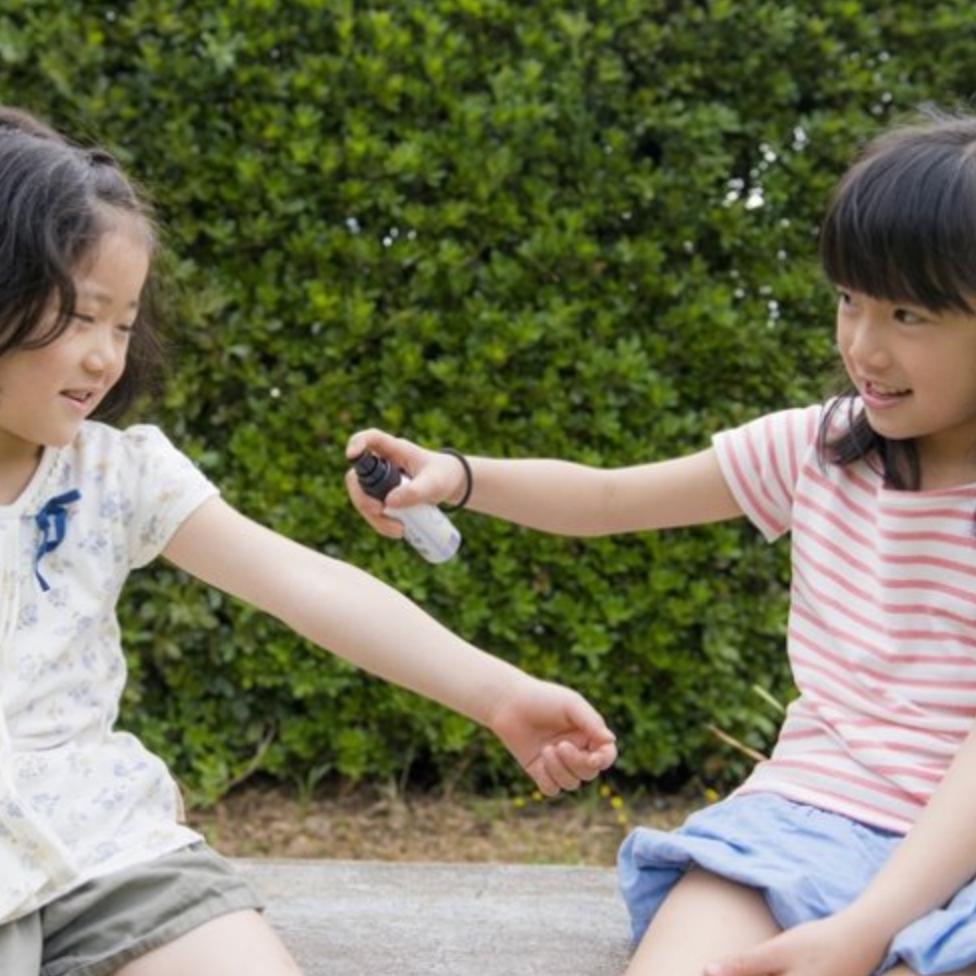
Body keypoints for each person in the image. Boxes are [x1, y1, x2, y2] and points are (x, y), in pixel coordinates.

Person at [345, 108, 976, 976]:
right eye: (848, 300)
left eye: (908, 313)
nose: (863, 347)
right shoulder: (820, 447)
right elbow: (609, 497)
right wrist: (461, 475)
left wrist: (871, 927)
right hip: (808, 817)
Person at [0, 104, 619, 976]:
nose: (106, 357)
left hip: (105, 851)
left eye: (124, 323)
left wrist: (499, 695)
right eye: (79, 316)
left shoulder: (117, 475)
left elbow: (307, 584)